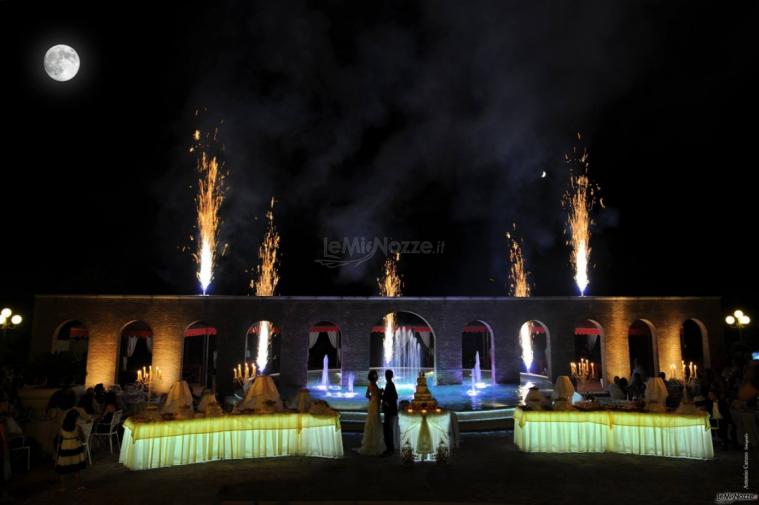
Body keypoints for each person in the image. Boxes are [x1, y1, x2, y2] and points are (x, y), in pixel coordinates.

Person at [55, 409, 86, 491]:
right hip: (75, 447)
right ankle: (78, 486)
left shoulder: (61, 427)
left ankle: (62, 487)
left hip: (65, 447)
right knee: (76, 468)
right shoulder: (77, 427)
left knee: (63, 468)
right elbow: (83, 437)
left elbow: (59, 438)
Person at [357, 370, 385, 455]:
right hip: (375, 404)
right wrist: (381, 392)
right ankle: (374, 443)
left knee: (371, 421)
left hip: (372, 403)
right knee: (375, 421)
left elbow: (366, 395)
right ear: (374, 377)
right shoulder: (373, 384)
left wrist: (371, 398)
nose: (377, 377)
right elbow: (378, 395)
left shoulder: (370, 384)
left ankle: (370, 442)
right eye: (376, 375)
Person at [381, 369, 398, 456]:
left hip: (390, 411)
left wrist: (385, 399)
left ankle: (389, 449)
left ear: (387, 376)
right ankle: (390, 448)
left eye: (386, 375)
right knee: (388, 429)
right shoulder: (390, 384)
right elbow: (394, 396)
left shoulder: (390, 385)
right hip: (391, 410)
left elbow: (394, 396)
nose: (385, 376)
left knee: (388, 429)